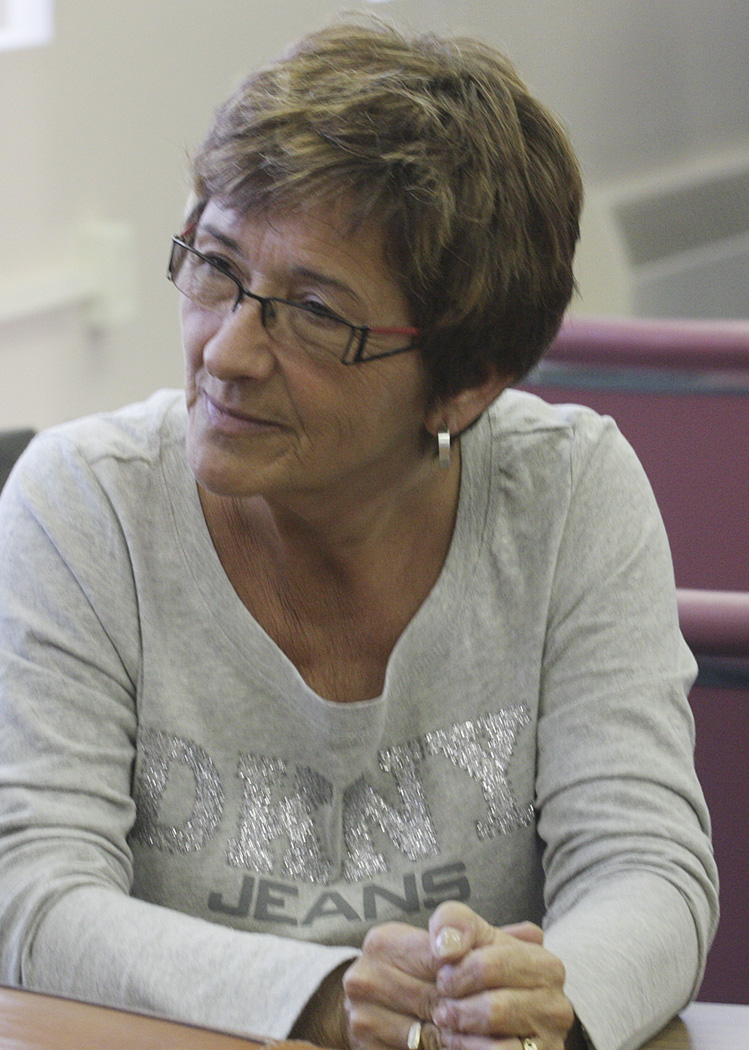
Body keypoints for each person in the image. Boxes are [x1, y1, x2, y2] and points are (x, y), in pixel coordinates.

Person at [0, 18, 717, 1050]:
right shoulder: (86, 503)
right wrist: (332, 995)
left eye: (314, 314)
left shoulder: (567, 490)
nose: (228, 350)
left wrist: (545, 995)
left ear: (464, 385)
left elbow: (647, 871)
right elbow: (34, 898)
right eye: (215, 267)